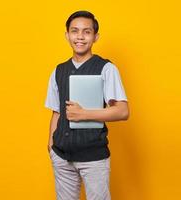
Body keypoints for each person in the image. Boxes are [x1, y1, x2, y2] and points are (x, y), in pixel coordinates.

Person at [45, 10, 129, 200]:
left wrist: (84, 114)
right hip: (61, 156)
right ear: (67, 35)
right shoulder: (58, 70)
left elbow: (123, 111)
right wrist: (51, 145)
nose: (80, 37)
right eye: (75, 31)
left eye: (86, 32)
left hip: (94, 157)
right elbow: (56, 111)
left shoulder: (106, 68)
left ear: (95, 37)